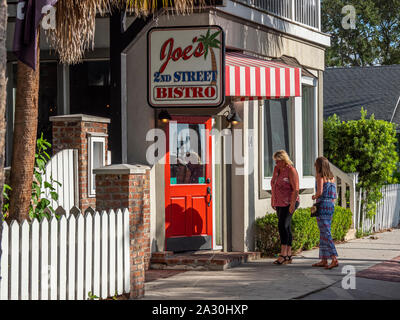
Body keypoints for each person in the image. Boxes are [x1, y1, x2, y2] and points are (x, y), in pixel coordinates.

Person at [271, 150, 300, 265]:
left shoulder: (291, 170)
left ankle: (283, 254)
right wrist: (273, 200)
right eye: (275, 161)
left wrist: (292, 205)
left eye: (277, 161)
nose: (276, 164)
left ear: (283, 160)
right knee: (286, 227)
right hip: (279, 202)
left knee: (282, 225)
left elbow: (296, 189)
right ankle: (288, 255)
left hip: (289, 202)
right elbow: (273, 186)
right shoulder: (277, 170)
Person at [312, 156, 339, 269]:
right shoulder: (332, 178)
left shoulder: (320, 176)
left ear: (319, 166)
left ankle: (334, 258)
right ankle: (323, 259)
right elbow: (334, 194)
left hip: (322, 205)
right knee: (324, 233)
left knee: (326, 233)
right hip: (330, 206)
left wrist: (314, 196)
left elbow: (319, 192)